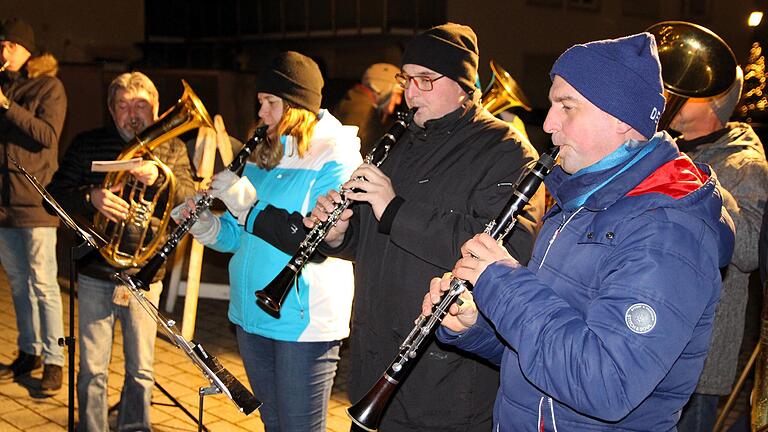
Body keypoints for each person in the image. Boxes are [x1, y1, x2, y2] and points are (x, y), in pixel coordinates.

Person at [423, 33, 736, 431]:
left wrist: (501, 283)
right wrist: (476, 326)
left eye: (567, 107)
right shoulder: (578, 203)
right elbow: (543, 354)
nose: (549, 123)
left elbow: (606, 383)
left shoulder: (667, 231)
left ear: (622, 118)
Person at [307, 23, 542, 431]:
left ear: (463, 85)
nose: (410, 93)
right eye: (405, 79)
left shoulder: (508, 151)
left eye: (425, 81)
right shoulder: (401, 140)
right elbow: (374, 235)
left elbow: (509, 252)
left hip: (445, 383)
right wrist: (339, 234)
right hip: (373, 361)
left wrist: (394, 207)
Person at [176, 51, 361, 432]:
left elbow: (314, 241)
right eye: (260, 102)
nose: (261, 113)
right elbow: (240, 235)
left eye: (270, 103)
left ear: (296, 106)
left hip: (301, 322)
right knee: (272, 424)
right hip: (250, 314)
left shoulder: (336, 155)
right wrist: (205, 226)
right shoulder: (264, 152)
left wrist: (243, 200)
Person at [47, 72, 195, 431]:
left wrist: (161, 179)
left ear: (157, 109)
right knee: (93, 368)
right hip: (97, 272)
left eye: (141, 105)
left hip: (145, 277)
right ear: (111, 111)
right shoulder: (87, 144)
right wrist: (90, 197)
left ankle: (134, 426)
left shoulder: (171, 148)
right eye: (123, 105)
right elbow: (52, 196)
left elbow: (192, 199)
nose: (132, 114)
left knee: (142, 368)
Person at [670, 66, 768, 431]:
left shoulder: (746, 164)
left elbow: (748, 251)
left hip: (701, 359)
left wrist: (705, 182)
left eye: (690, 90)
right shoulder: (669, 147)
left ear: (715, 101)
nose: (673, 93)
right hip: (658, 340)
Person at [0, 17, 66, 394]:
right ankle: (29, 351)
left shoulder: (50, 86)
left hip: (36, 201)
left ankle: (55, 359)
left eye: (10, 45)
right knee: (18, 284)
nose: (3, 51)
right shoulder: (3, 84)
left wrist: (7, 105)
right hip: (4, 203)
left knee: (43, 284)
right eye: (2, 45)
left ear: (26, 50)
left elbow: (47, 135)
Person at [333, 62, 403, 156]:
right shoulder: (364, 115)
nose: (399, 101)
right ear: (383, 89)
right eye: (397, 93)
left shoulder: (354, 101)